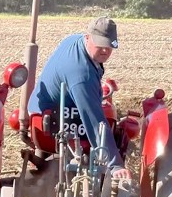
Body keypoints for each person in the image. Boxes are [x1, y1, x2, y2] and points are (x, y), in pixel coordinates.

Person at [28, 16, 131, 182]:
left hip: (40, 108)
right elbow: (95, 122)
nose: (105, 50)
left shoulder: (73, 40)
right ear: (88, 37)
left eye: (109, 46)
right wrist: (114, 163)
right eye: (100, 45)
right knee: (104, 125)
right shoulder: (82, 75)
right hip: (53, 118)